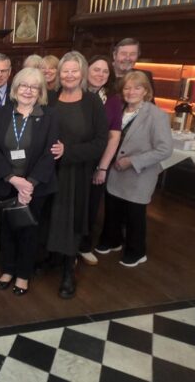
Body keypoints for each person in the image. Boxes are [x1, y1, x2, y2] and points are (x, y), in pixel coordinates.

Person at [0, 67, 59, 295]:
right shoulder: (1, 114)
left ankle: (23, 274)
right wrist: (13, 179)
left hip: (35, 188)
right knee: (6, 229)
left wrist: (29, 183)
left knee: (29, 231)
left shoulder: (49, 117)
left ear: (40, 92)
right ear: (15, 88)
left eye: (34, 87)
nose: (27, 91)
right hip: (6, 183)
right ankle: (8, 269)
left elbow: (50, 153)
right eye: (23, 85)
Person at [46, 51, 108, 299]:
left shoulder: (92, 103)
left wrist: (68, 151)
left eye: (74, 71)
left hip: (77, 173)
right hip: (49, 170)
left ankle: (68, 271)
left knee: (71, 220)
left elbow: (101, 141)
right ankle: (50, 258)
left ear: (81, 74)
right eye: (65, 71)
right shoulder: (50, 99)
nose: (69, 75)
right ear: (59, 74)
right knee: (49, 216)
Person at [98, 71, 172, 267]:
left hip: (139, 174)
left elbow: (165, 149)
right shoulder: (119, 109)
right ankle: (113, 241)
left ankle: (136, 251)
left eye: (137, 87)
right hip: (115, 171)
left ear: (146, 91)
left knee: (134, 214)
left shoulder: (156, 115)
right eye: (127, 88)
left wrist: (133, 161)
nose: (131, 92)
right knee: (113, 209)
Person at [79, 55, 122, 266]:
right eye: (96, 69)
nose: (100, 74)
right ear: (86, 70)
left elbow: (114, 136)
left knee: (91, 204)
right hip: (73, 156)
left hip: (97, 160)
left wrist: (103, 167)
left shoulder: (113, 100)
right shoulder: (75, 93)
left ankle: (84, 246)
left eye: (105, 71)